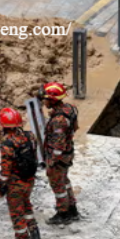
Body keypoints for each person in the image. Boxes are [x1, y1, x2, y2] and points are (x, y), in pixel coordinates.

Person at [0, 108, 41, 239]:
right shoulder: (30, 136)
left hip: (16, 183)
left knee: (16, 213)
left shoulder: (8, 144)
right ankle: (35, 234)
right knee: (26, 204)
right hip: (29, 180)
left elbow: (5, 171)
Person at [38, 82, 80, 225]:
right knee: (65, 180)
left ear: (53, 100)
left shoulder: (58, 121)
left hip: (59, 157)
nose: (44, 101)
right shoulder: (70, 109)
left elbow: (58, 145)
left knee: (57, 184)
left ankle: (63, 213)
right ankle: (72, 208)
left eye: (46, 98)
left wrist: (51, 162)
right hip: (68, 153)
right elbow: (75, 128)